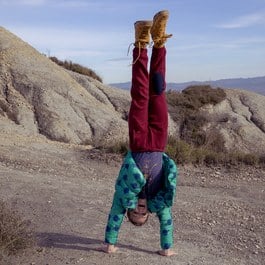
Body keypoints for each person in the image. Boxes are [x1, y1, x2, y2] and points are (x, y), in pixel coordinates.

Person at [102, 10, 178, 257]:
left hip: (137, 142)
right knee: (158, 90)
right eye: (143, 214)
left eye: (135, 212)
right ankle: (159, 40)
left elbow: (115, 216)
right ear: (149, 213)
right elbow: (165, 222)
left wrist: (110, 243)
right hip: (158, 143)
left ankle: (141, 44)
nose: (140, 210)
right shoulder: (159, 199)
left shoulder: (123, 196)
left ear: (129, 209)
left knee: (141, 95)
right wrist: (166, 247)